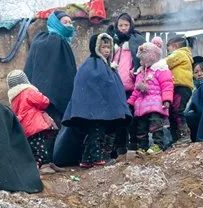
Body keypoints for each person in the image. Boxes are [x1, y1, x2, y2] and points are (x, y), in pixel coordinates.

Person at [61, 33, 130, 168]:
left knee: (97, 133)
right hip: (93, 111)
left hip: (102, 111)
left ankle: (86, 160)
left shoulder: (107, 66)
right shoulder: (90, 66)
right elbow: (88, 87)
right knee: (96, 133)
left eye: (109, 48)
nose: (107, 50)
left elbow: (113, 88)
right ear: (96, 47)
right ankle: (97, 159)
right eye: (103, 47)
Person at [23, 11, 77, 125]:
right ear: (56, 23)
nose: (69, 25)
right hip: (50, 103)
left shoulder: (42, 40)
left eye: (70, 23)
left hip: (38, 98)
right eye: (65, 22)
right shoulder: (56, 41)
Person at [6, 69, 60, 174]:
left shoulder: (13, 97)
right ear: (25, 80)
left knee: (36, 147)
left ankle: (48, 163)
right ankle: (41, 167)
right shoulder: (28, 91)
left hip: (25, 127)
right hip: (35, 125)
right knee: (41, 147)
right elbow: (44, 101)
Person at [108, 12, 145, 155]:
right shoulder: (113, 41)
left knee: (132, 116)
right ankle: (119, 145)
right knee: (118, 117)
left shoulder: (136, 39)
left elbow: (141, 60)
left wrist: (134, 72)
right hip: (116, 87)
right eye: (120, 25)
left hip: (131, 86)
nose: (123, 28)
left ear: (131, 26)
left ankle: (133, 143)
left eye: (126, 25)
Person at [128, 37, 173, 155]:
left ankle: (158, 145)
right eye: (141, 59)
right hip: (141, 106)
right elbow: (136, 91)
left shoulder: (161, 69)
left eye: (144, 59)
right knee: (141, 128)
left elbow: (167, 85)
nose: (142, 61)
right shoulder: (140, 72)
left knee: (156, 125)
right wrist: (131, 102)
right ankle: (142, 147)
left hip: (156, 105)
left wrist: (167, 99)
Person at [165, 36, 194, 146]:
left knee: (178, 111)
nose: (168, 53)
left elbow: (167, 62)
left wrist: (154, 64)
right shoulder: (181, 54)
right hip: (176, 87)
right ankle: (176, 138)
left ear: (175, 46)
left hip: (181, 87)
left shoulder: (180, 54)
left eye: (169, 49)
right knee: (172, 113)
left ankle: (184, 136)